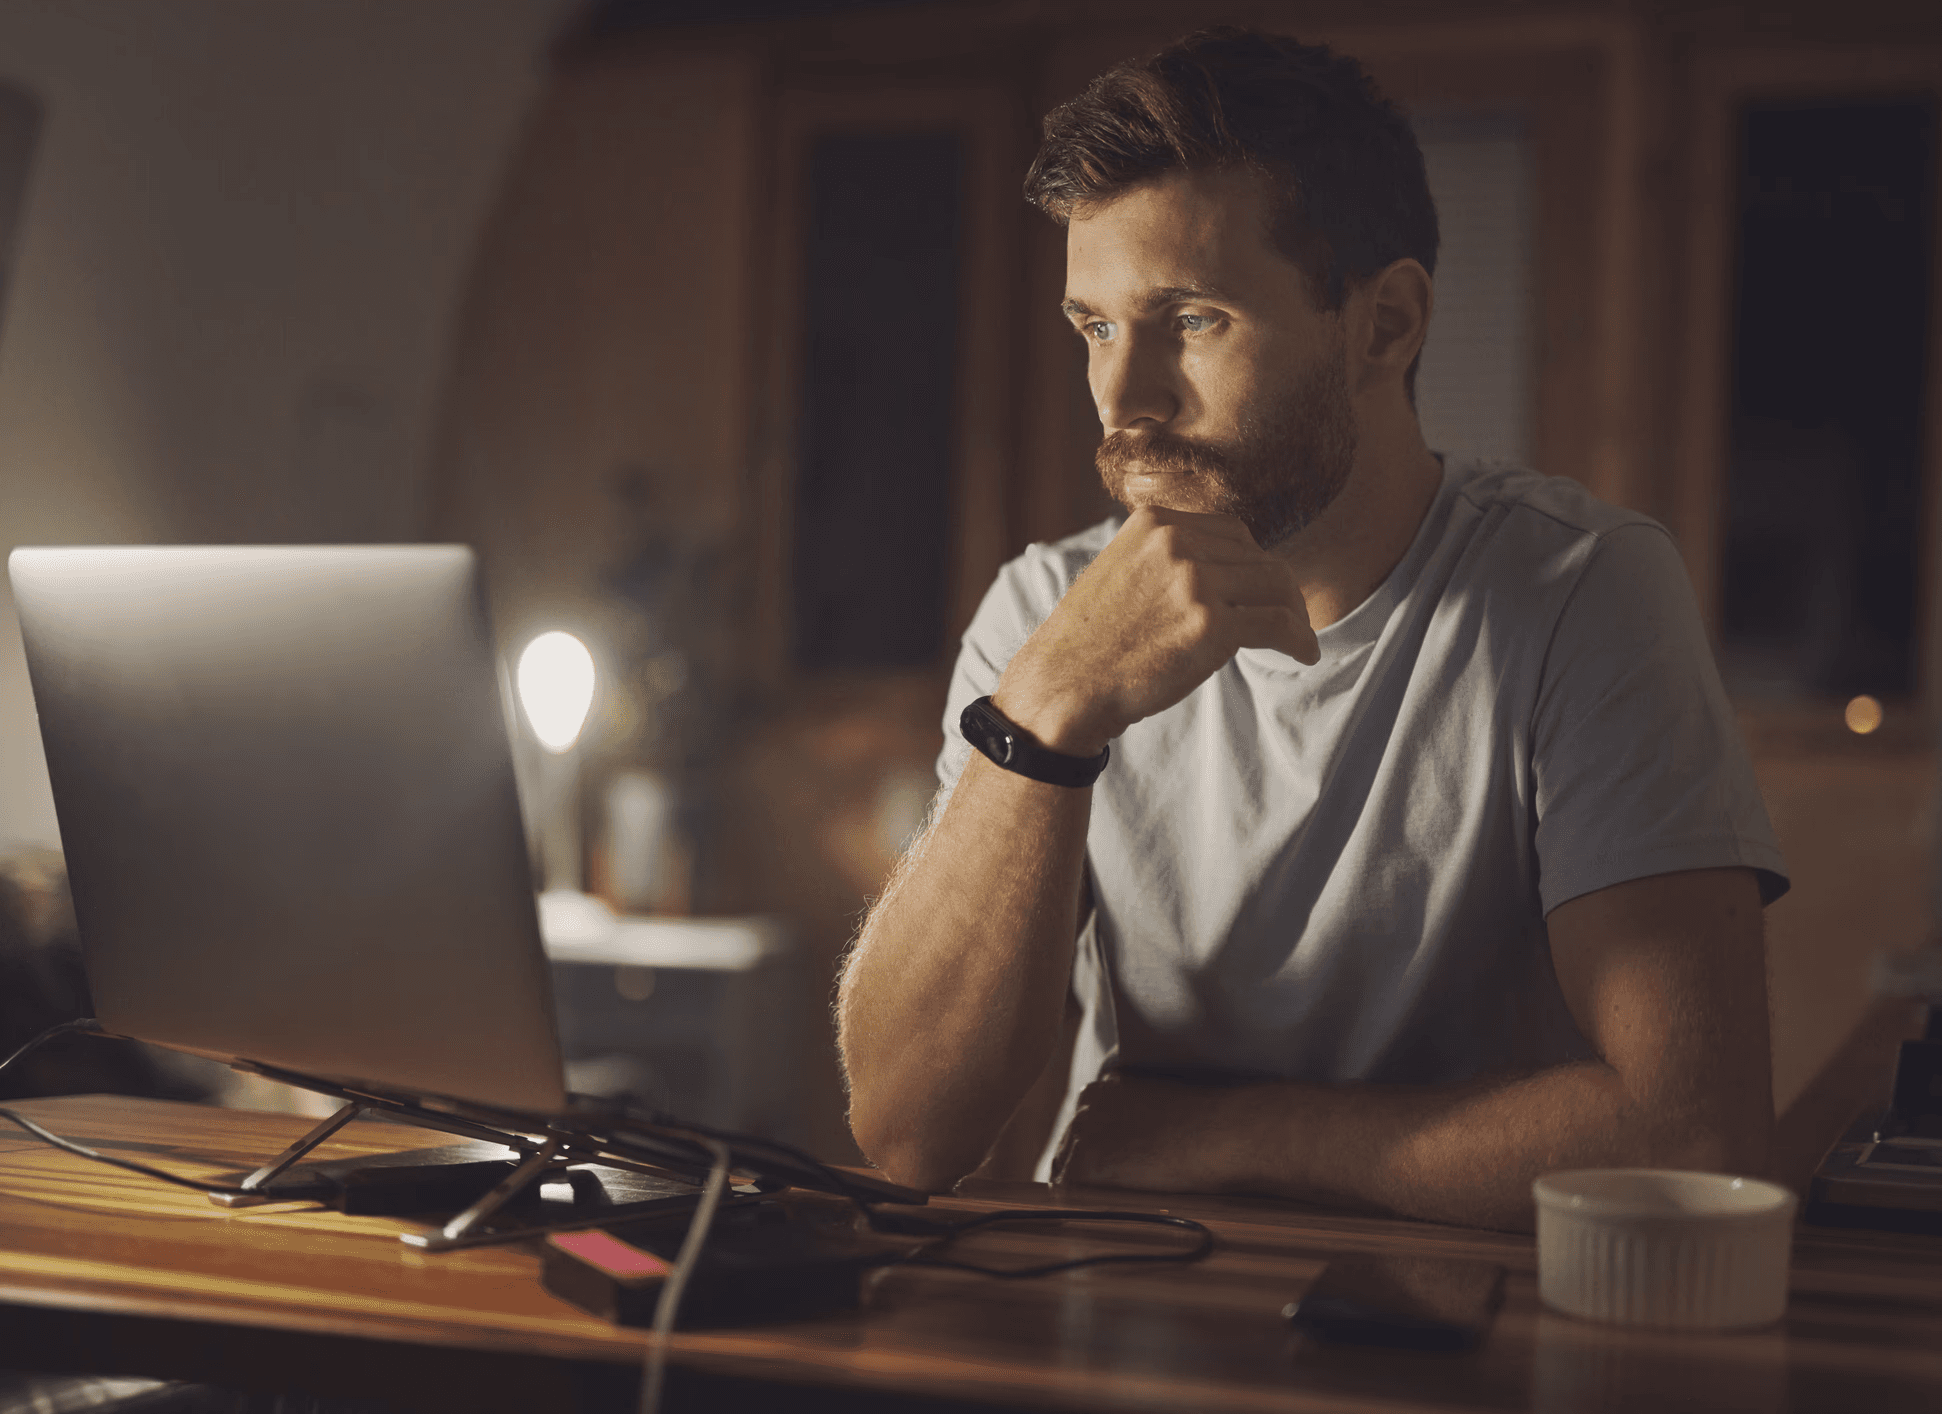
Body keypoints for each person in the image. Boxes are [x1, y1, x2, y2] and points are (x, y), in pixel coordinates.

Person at [835, 27, 1786, 1231]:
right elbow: (907, 1129)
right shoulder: (1043, 618)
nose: (1123, 401)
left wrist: (1227, 1133)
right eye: (1095, 328)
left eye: (1189, 319)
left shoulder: (1581, 591)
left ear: (1382, 325)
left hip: (1467, 1335)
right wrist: (1045, 711)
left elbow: (1692, 1134)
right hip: (1131, 1313)